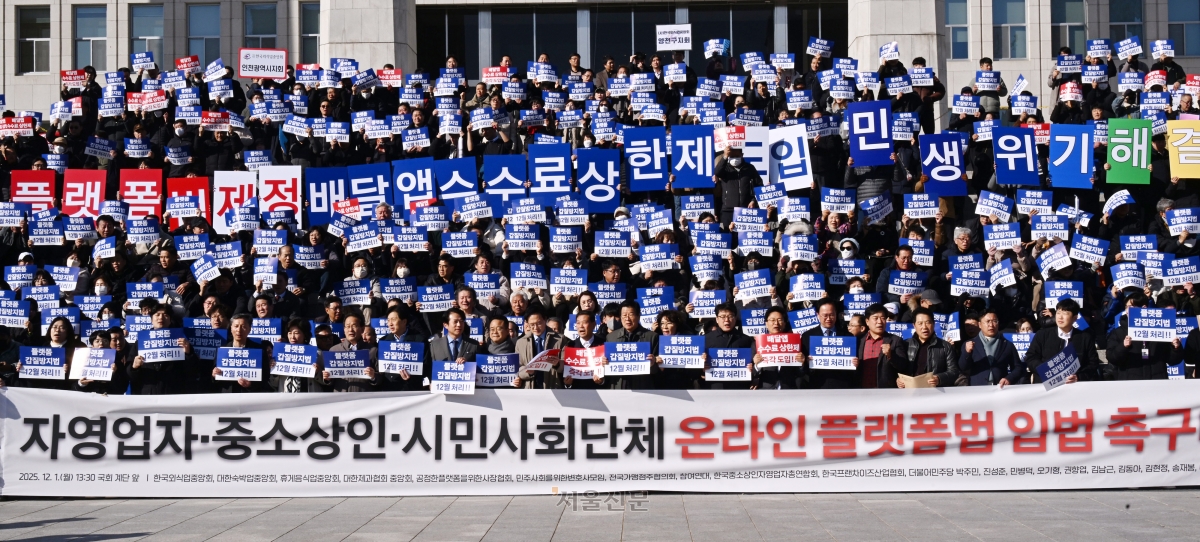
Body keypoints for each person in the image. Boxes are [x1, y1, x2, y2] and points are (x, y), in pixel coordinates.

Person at [1106, 293, 1183, 380]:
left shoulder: (1161, 330)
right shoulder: (1118, 332)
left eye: (1132, 307)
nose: (1128, 310)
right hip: (1131, 383)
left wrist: (1175, 348)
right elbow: (1112, 358)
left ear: (1144, 308)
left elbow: (1173, 361)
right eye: (1126, 307)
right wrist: (1123, 346)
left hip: (1157, 383)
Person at [1023, 299, 1100, 384]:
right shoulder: (1042, 334)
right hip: (1046, 385)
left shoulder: (1084, 338)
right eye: (1058, 312)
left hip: (1074, 387)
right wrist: (1046, 371)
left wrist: (1078, 376)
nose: (1060, 317)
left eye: (1065, 313)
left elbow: (1093, 363)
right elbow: (1031, 357)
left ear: (1075, 318)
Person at [958, 309, 1024, 386]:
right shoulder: (969, 343)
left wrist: (1009, 379)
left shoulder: (1007, 344)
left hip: (1000, 388)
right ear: (980, 324)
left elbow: (1018, 368)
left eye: (994, 321)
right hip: (977, 389)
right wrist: (967, 352)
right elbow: (963, 367)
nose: (991, 325)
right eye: (988, 321)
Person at [897, 308, 959, 388]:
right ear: (914, 325)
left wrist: (939, 378)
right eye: (920, 323)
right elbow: (899, 368)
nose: (924, 327)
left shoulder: (945, 346)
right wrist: (898, 380)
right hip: (910, 392)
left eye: (928, 323)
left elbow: (954, 371)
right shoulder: (905, 344)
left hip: (934, 393)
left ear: (933, 324)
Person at [213, 313, 274, 393]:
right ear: (231, 328)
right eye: (236, 326)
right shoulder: (222, 350)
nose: (239, 330)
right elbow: (213, 379)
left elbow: (265, 377)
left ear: (249, 329)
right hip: (227, 396)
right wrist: (214, 374)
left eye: (243, 327)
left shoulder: (259, 350)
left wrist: (251, 385)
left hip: (249, 397)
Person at [321, 312, 380, 392]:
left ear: (362, 329)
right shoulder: (334, 350)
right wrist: (328, 379)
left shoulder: (373, 350)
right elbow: (330, 381)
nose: (350, 330)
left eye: (354, 326)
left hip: (363, 398)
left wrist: (373, 376)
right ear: (344, 329)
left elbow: (381, 379)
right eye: (347, 326)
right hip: (340, 398)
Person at [857, 304, 907, 389]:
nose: (880, 322)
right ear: (867, 321)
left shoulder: (895, 340)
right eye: (875, 318)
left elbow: (903, 366)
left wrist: (891, 355)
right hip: (862, 391)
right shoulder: (859, 341)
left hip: (886, 393)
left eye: (883, 318)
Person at [515, 311, 567, 388]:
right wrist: (528, 372)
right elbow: (517, 368)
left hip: (553, 386)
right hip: (530, 388)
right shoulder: (521, 342)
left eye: (539, 323)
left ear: (545, 320)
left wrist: (557, 364)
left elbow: (567, 365)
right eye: (532, 325)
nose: (536, 328)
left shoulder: (560, 339)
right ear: (527, 323)